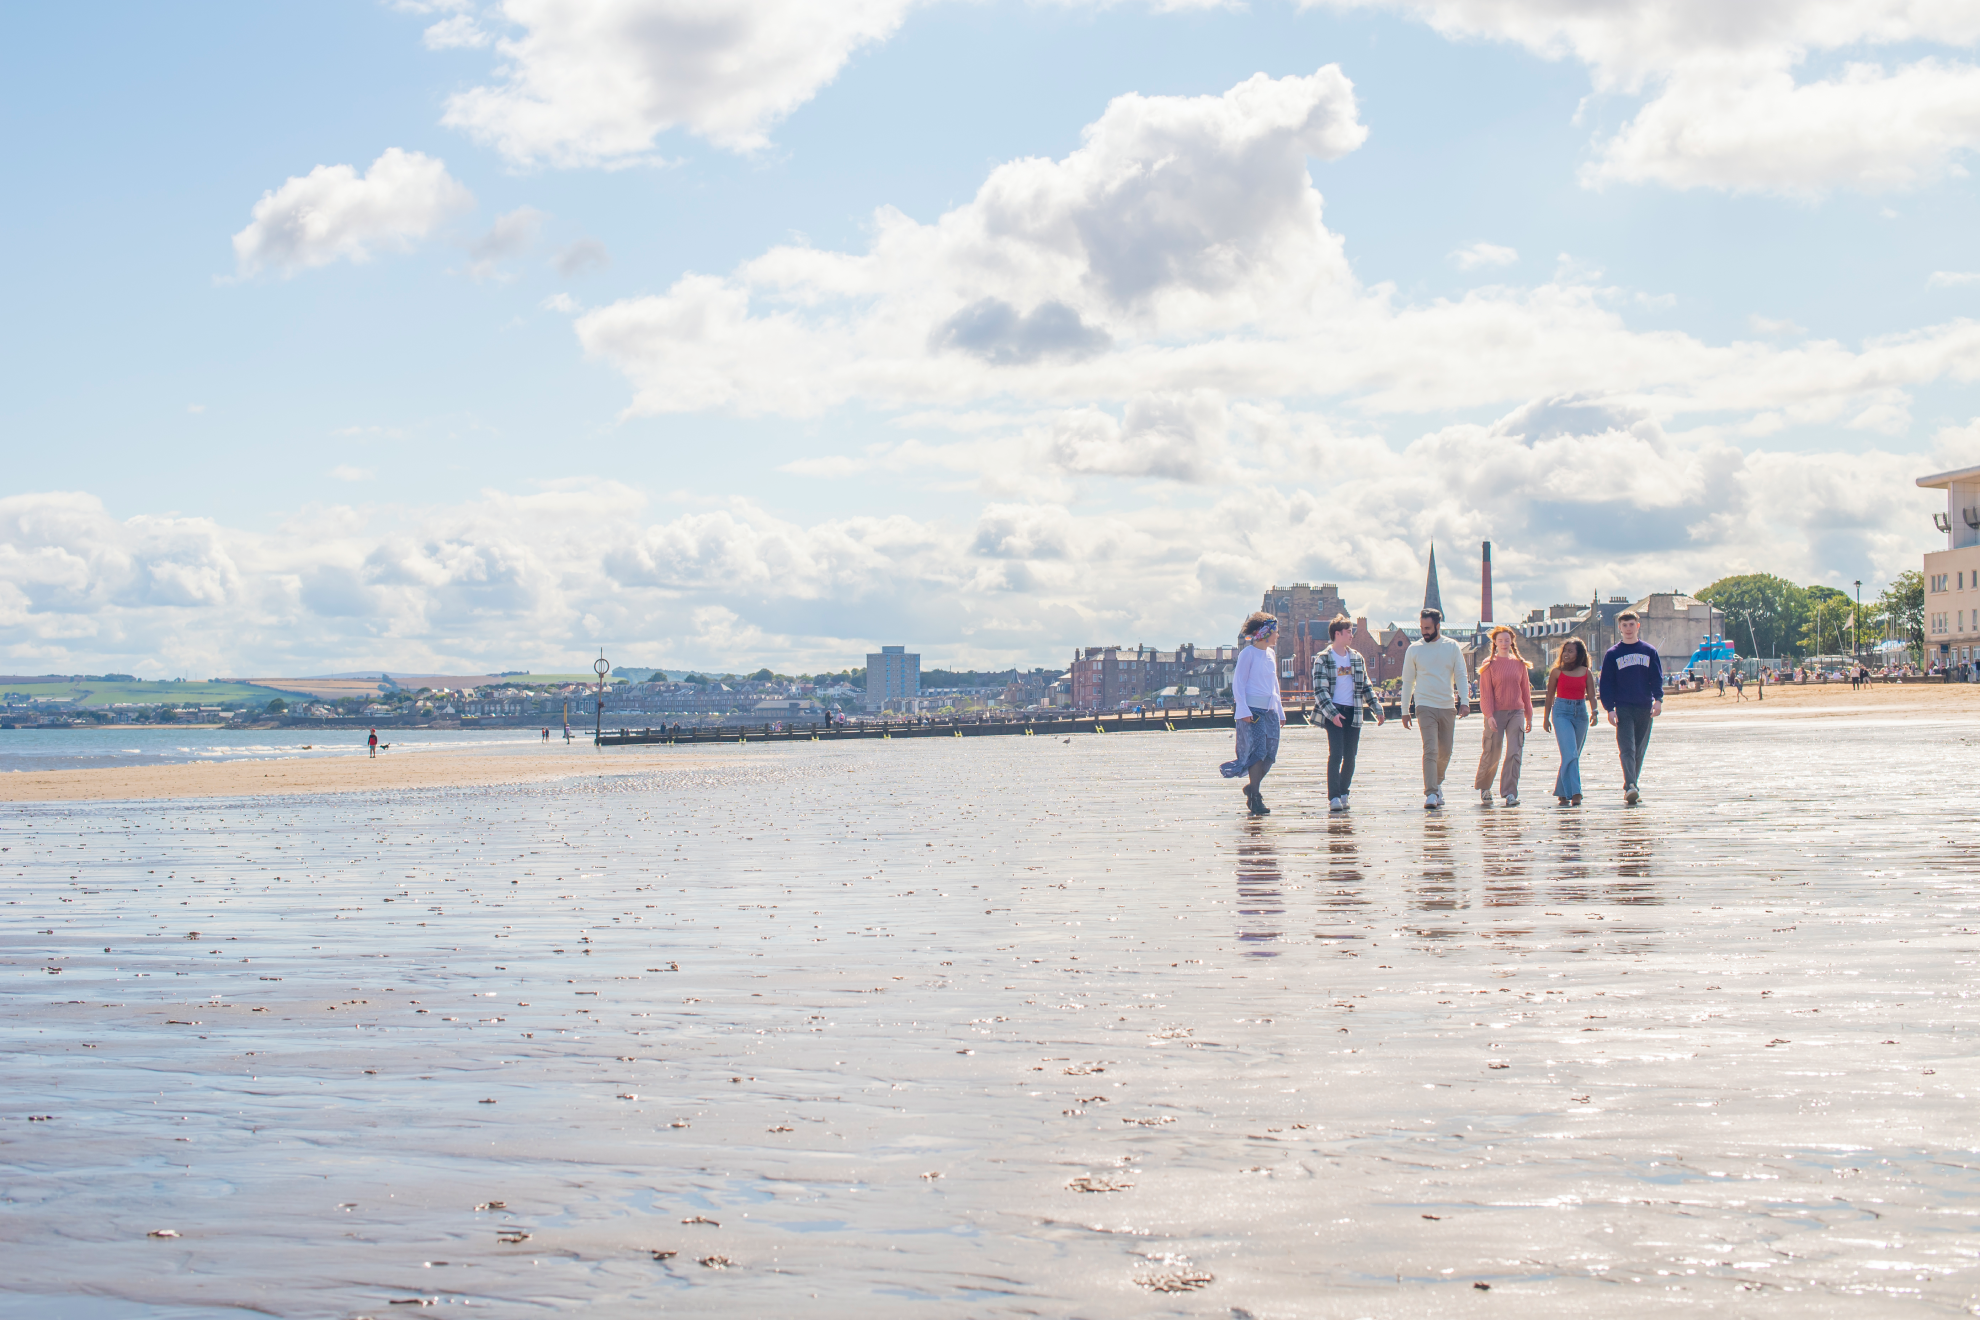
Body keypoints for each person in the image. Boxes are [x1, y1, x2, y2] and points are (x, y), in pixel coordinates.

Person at [1312, 616, 1385, 812]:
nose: (1351, 635)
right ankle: (1333, 797)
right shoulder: (1323, 658)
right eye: (1348, 631)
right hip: (1333, 711)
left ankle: (1344, 792)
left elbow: (1366, 686)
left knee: (1350, 755)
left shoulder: (1356, 658)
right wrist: (1332, 713)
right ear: (1338, 634)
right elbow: (1320, 690)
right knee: (1336, 754)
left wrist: (1376, 708)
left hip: (1354, 711)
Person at [1400, 607, 1469, 809]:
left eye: (1428, 628)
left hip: (1447, 705)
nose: (1424, 632)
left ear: (1438, 625)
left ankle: (1437, 783)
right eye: (1422, 628)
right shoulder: (1414, 649)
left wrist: (1464, 701)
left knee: (1445, 751)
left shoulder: (1452, 647)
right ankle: (1430, 793)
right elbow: (1407, 681)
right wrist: (1405, 710)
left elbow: (1461, 675)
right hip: (1424, 705)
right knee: (1430, 749)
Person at [1219, 613, 1284, 816]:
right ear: (1265, 633)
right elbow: (1239, 683)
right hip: (1253, 711)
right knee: (1258, 751)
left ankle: (1251, 788)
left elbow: (1274, 685)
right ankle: (1255, 798)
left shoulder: (1271, 655)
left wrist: (1280, 710)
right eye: (1275, 631)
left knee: (1270, 754)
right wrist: (1243, 710)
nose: (1278, 635)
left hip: (1270, 710)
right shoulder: (1248, 653)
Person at [1599, 610, 1663, 805]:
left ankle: (1631, 783)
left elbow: (1656, 678)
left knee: (1639, 749)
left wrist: (1658, 700)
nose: (1628, 629)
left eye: (1631, 624)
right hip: (1623, 708)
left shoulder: (1649, 651)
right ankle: (1631, 786)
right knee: (1626, 747)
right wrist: (1609, 708)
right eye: (1624, 625)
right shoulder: (1612, 654)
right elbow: (1606, 683)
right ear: (1619, 627)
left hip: (1644, 707)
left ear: (1638, 626)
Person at [1473, 626, 1533, 806]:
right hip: (1496, 713)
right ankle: (1485, 788)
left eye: (1507, 640)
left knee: (1514, 752)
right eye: (1500, 640)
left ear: (1512, 641)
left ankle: (1509, 793)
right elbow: (1486, 693)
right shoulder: (1489, 664)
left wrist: (1529, 715)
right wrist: (1489, 714)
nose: (1504, 644)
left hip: (1517, 712)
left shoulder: (1520, 664)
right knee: (1493, 751)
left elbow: (1525, 692)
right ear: (1495, 643)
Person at [1542, 639, 1596, 806]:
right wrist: (1545, 718)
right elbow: (1550, 696)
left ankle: (1562, 791)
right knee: (1570, 753)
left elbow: (1592, 695)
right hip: (1561, 713)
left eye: (1571, 651)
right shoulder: (1556, 672)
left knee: (1572, 755)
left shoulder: (1586, 672)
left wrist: (1595, 712)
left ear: (1579, 654)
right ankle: (1576, 792)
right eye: (1565, 650)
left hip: (1580, 713)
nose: (1566, 654)